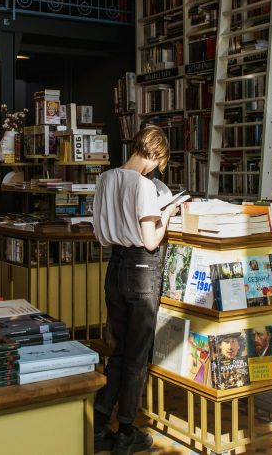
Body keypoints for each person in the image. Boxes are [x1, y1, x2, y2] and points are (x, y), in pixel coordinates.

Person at [92, 125, 179, 455]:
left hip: (114, 267)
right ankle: (126, 432)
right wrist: (166, 215)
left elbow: (101, 232)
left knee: (119, 351)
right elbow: (150, 240)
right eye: (160, 162)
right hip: (141, 269)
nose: (157, 169)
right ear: (155, 154)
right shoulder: (143, 186)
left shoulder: (105, 179)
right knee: (137, 357)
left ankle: (99, 426)